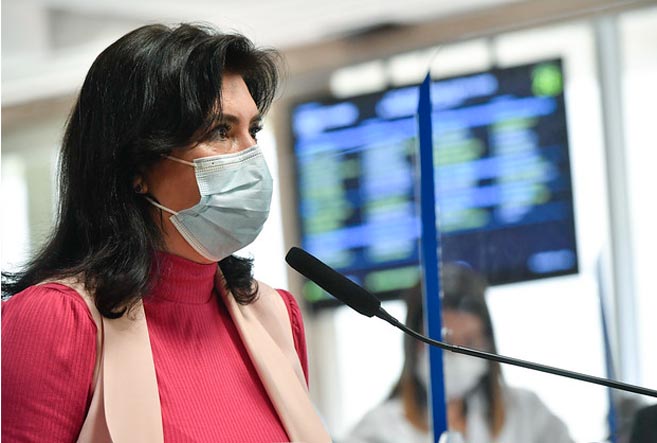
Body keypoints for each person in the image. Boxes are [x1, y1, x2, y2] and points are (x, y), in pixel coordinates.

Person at [2, 23, 330, 443]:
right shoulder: (56, 319)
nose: (252, 156)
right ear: (137, 166)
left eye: (253, 130)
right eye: (221, 131)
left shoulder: (276, 316)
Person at [342, 263, 574, 443]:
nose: (458, 355)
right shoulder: (378, 428)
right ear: (414, 344)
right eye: (444, 342)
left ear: (487, 341)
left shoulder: (527, 411)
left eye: (470, 341)